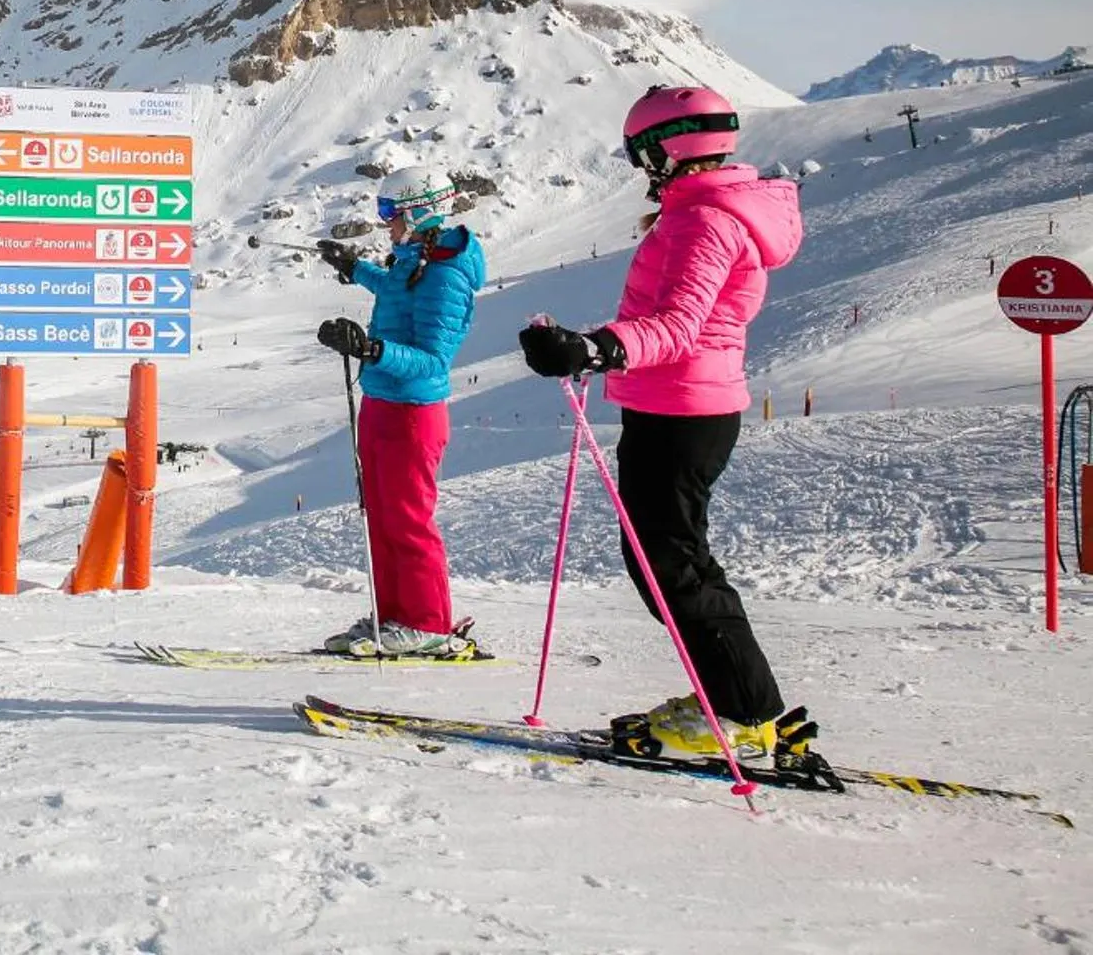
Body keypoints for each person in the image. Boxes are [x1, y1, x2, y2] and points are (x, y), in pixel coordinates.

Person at [518, 84, 802, 758]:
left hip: (684, 408)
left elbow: (677, 326)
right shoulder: (702, 211)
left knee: (673, 566)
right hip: (676, 403)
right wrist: (598, 347)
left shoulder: (706, 221)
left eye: (642, 149)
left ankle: (741, 710)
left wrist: (597, 347)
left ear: (670, 146)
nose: (640, 164)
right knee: (667, 560)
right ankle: (727, 695)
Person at [312, 166, 485, 658]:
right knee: (382, 516)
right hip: (382, 403)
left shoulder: (447, 275)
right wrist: (352, 267)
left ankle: (428, 622)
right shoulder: (417, 259)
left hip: (413, 411)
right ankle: (393, 616)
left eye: (390, 212)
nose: (384, 222)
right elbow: (394, 291)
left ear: (420, 211)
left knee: (409, 518)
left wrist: (370, 349)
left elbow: (434, 359)